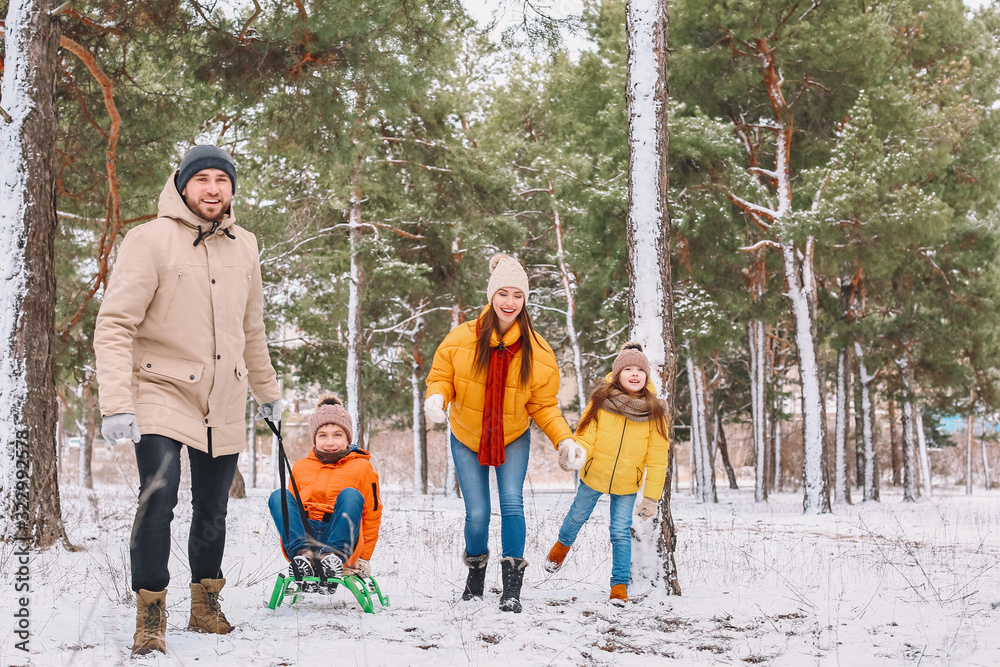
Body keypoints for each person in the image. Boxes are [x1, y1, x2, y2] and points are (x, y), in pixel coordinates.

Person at [94, 145, 282, 656]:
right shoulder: (149, 239)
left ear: (232, 189)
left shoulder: (245, 245)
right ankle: (151, 612)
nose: (213, 189)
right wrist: (116, 402)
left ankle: (205, 603)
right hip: (159, 389)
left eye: (222, 179)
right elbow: (115, 324)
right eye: (203, 179)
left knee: (213, 509)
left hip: (223, 395)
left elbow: (252, 328)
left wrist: (267, 392)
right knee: (159, 498)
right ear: (182, 185)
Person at [424, 253, 586, 613]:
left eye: (517, 295)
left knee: (512, 504)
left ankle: (512, 588)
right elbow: (442, 377)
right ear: (491, 294)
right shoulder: (461, 338)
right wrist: (437, 397)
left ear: (525, 300)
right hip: (466, 434)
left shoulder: (538, 351)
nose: (509, 302)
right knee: (478, 513)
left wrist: (565, 439)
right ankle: (475, 576)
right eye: (503, 293)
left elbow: (543, 405)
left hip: (512, 435)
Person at [543, 341, 670, 606]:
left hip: (627, 482)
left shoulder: (655, 412)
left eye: (640, 370)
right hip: (594, 474)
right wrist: (575, 455)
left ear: (646, 376)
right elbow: (586, 436)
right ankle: (560, 549)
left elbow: (657, 459)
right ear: (617, 374)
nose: (634, 374)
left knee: (620, 532)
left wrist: (651, 498)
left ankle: (618, 588)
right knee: (577, 516)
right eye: (628, 369)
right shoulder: (600, 401)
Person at [268, 396, 382, 588]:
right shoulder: (301, 467)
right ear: (315, 438)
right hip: (305, 538)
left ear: (348, 438)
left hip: (342, 537)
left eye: (337, 435)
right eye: (323, 435)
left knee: (350, 495)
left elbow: (372, 514)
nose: (330, 442)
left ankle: (333, 560)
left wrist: (364, 558)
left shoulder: (362, 468)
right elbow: (292, 511)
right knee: (279, 496)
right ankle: (303, 558)